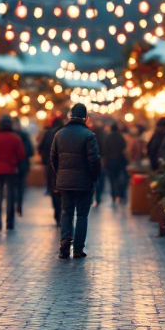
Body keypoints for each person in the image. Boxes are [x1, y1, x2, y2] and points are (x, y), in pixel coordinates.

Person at [50, 103, 101, 260]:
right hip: (84, 182)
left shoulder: (59, 134)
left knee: (66, 212)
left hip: (65, 182)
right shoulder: (89, 135)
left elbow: (53, 158)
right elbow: (94, 160)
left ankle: (64, 246)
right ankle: (78, 249)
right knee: (82, 214)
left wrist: (60, 174)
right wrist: (94, 177)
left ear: (70, 116)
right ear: (86, 118)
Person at [0, 114, 26, 232]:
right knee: (10, 196)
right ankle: (10, 221)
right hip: (11, 170)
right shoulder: (15, 138)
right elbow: (21, 155)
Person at [38, 115, 64, 225]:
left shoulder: (48, 133)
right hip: (64, 167)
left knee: (54, 190)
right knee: (64, 191)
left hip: (51, 167)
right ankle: (63, 212)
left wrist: (45, 161)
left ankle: (57, 212)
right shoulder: (65, 133)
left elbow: (40, 148)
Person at [101, 122, 129, 205]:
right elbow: (124, 147)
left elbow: (105, 150)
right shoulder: (121, 137)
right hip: (120, 160)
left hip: (110, 161)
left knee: (112, 179)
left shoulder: (107, 138)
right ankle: (121, 194)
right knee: (120, 178)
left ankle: (114, 195)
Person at [14, 120, 34, 217]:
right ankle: (19, 205)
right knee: (20, 187)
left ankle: (14, 204)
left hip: (13, 165)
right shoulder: (24, 136)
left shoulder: (12, 136)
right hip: (23, 164)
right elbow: (30, 151)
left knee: (13, 187)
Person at [90, 119, 108, 206]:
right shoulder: (104, 137)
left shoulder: (91, 137)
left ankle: (93, 197)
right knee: (100, 178)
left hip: (92, 160)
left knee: (93, 179)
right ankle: (98, 196)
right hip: (101, 159)